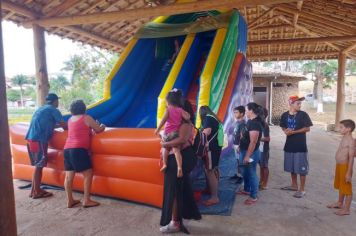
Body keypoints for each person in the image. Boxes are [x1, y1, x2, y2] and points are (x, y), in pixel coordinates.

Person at [160, 100, 201, 234]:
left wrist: (165, 144)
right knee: (180, 188)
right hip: (179, 156)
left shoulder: (186, 124)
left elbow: (182, 140)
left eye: (173, 109)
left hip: (182, 157)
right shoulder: (177, 123)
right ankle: (184, 215)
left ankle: (175, 223)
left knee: (174, 190)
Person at [63, 100, 106, 208]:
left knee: (69, 176)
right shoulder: (86, 118)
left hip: (67, 149)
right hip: (78, 149)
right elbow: (99, 130)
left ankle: (70, 200)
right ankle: (86, 200)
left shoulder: (70, 119)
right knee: (88, 173)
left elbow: (80, 131)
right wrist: (103, 126)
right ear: (84, 108)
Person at [25, 93, 67, 199]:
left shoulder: (41, 109)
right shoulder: (54, 110)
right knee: (39, 166)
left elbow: (50, 123)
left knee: (37, 166)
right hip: (39, 139)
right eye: (57, 101)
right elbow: (64, 126)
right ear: (55, 101)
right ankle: (37, 191)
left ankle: (34, 190)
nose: (58, 102)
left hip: (31, 138)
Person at [280, 95, 313, 198]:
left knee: (301, 169)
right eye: (298, 103)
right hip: (289, 145)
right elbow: (282, 125)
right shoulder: (285, 115)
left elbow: (307, 128)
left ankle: (302, 189)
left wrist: (294, 132)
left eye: (300, 103)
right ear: (291, 103)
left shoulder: (303, 115)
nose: (300, 105)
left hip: (300, 146)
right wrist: (285, 131)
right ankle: (294, 185)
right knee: (292, 167)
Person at [155, 89, 190, 177]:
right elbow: (187, 117)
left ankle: (165, 164)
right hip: (175, 133)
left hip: (167, 133)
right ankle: (179, 167)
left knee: (165, 149)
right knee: (176, 150)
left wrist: (158, 129)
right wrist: (186, 115)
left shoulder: (168, 109)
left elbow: (163, 120)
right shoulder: (180, 110)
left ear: (168, 101)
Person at [327, 119, 355, 216]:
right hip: (339, 165)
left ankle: (346, 209)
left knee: (347, 188)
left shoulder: (351, 141)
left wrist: (348, 172)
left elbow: (351, 158)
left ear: (348, 129)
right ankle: (339, 203)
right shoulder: (344, 137)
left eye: (341, 127)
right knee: (341, 185)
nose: (339, 129)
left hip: (345, 167)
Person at [238, 103, 263, 205]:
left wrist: (247, 156)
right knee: (244, 170)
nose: (246, 112)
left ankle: (253, 196)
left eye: (247, 110)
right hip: (244, 150)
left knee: (251, 173)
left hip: (251, 153)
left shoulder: (255, 124)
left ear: (251, 111)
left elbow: (253, 142)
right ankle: (247, 189)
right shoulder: (250, 121)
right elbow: (246, 136)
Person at [199, 105, 222, 206]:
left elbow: (205, 133)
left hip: (210, 149)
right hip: (215, 148)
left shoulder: (207, 118)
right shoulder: (213, 118)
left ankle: (214, 197)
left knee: (210, 171)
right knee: (211, 169)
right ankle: (210, 190)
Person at [230, 106, 246, 181]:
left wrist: (239, 145)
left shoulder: (243, 123)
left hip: (239, 145)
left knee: (241, 161)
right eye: (234, 113)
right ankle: (238, 174)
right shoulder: (237, 122)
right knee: (237, 160)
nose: (235, 114)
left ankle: (242, 177)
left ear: (242, 113)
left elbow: (242, 136)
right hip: (236, 144)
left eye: (236, 112)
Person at [259, 108, 271, 190]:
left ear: (263, 116)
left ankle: (265, 184)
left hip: (264, 149)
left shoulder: (265, 125)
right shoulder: (258, 124)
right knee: (261, 166)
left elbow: (267, 138)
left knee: (264, 166)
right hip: (259, 148)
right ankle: (261, 181)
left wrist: (256, 138)